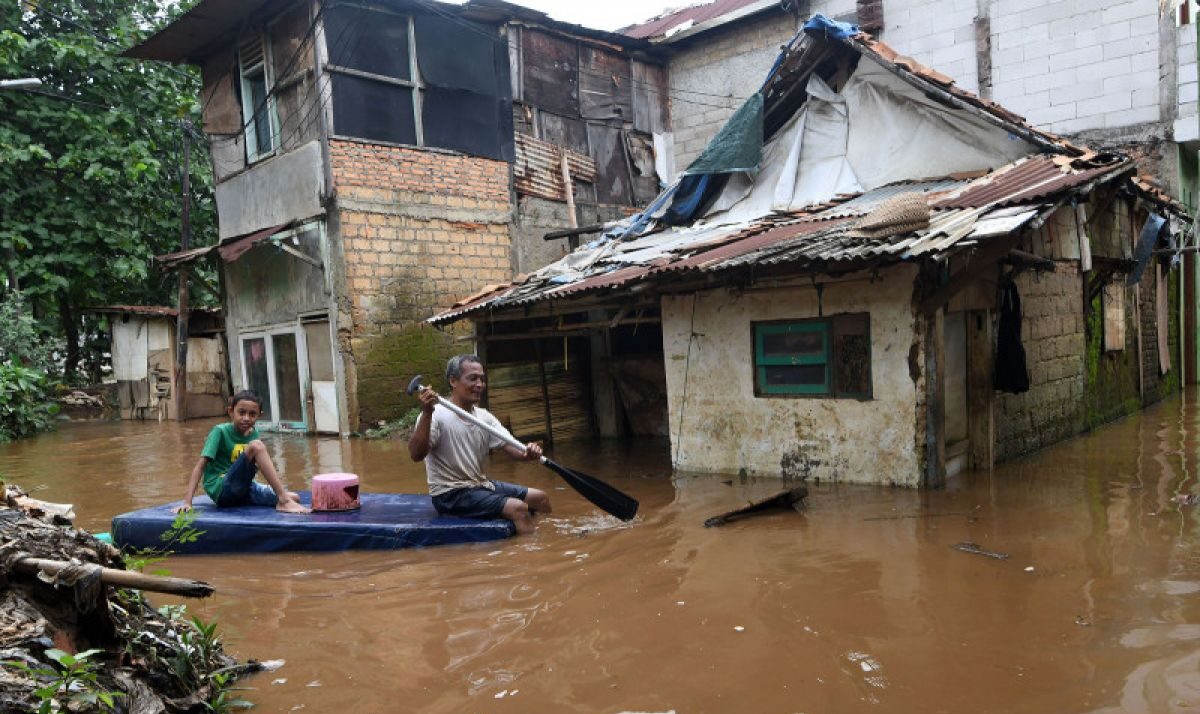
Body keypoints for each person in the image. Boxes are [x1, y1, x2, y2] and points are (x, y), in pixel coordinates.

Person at [408, 354, 550, 534]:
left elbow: (515, 450)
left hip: (480, 484)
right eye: (473, 378)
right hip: (450, 494)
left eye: (482, 379)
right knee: (518, 508)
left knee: (540, 498)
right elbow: (415, 455)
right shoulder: (435, 415)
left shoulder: (484, 417)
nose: (480, 384)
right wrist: (427, 413)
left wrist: (529, 452)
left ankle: (550, 537)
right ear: (453, 381)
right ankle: (534, 552)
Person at [174, 390, 310, 514]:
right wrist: (187, 502)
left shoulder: (254, 433)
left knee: (295, 497)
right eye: (241, 412)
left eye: (252, 414)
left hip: (243, 488)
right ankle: (284, 502)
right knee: (256, 446)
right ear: (231, 412)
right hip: (222, 488)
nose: (246, 418)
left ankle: (284, 499)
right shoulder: (220, 432)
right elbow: (200, 467)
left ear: (259, 416)